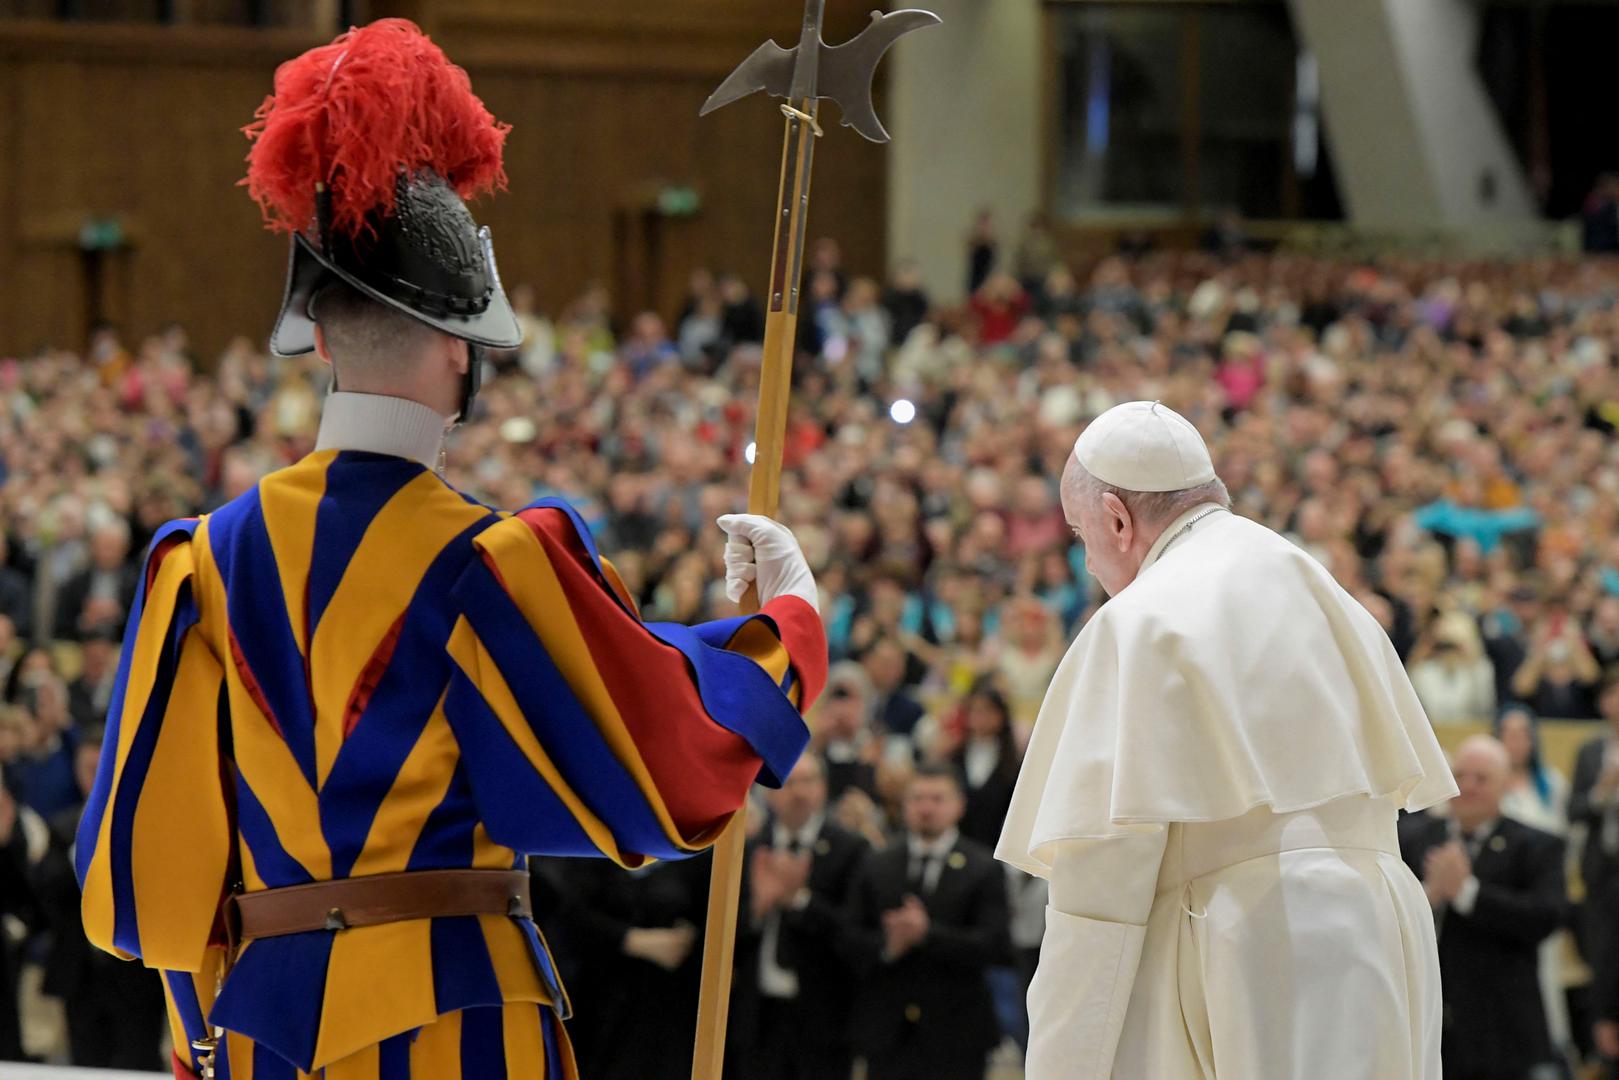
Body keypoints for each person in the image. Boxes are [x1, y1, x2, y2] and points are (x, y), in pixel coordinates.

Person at [74, 21, 826, 1080]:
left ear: (321, 338)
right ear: (457, 348)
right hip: (456, 1024)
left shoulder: (197, 563)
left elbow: (144, 879)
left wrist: (205, 1026)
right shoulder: (495, 560)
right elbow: (663, 769)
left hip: (259, 1034)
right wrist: (784, 628)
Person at [999, 401, 1455, 1079]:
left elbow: (1099, 888)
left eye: (1080, 534)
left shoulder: (1138, 622)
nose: (1087, 559)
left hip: (1253, 941)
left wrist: (1061, 1064)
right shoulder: (1328, 594)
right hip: (1384, 926)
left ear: (1118, 521)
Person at [1398, 736, 1567, 1080]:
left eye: (1481, 778)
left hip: (1502, 1024)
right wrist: (1425, 897)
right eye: (1460, 775)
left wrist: (1468, 894)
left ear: (1505, 785)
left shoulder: (1536, 845)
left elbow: (1547, 915)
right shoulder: (1413, 838)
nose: (1467, 786)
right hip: (1432, 1021)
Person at [848, 763, 1010, 1080]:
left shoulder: (982, 867)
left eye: (937, 799)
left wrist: (928, 934)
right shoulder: (877, 863)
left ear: (959, 805)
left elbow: (997, 946)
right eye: (918, 798)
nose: (926, 808)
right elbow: (849, 936)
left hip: (957, 1031)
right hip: (888, 1032)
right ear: (905, 805)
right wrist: (887, 946)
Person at [730, 754, 868, 1080]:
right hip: (758, 1015)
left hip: (822, 1016)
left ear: (823, 788)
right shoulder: (750, 847)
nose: (799, 792)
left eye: (809, 782)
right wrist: (758, 908)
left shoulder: (850, 849)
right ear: (767, 792)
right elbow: (723, 937)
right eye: (789, 783)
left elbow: (855, 933)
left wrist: (799, 901)